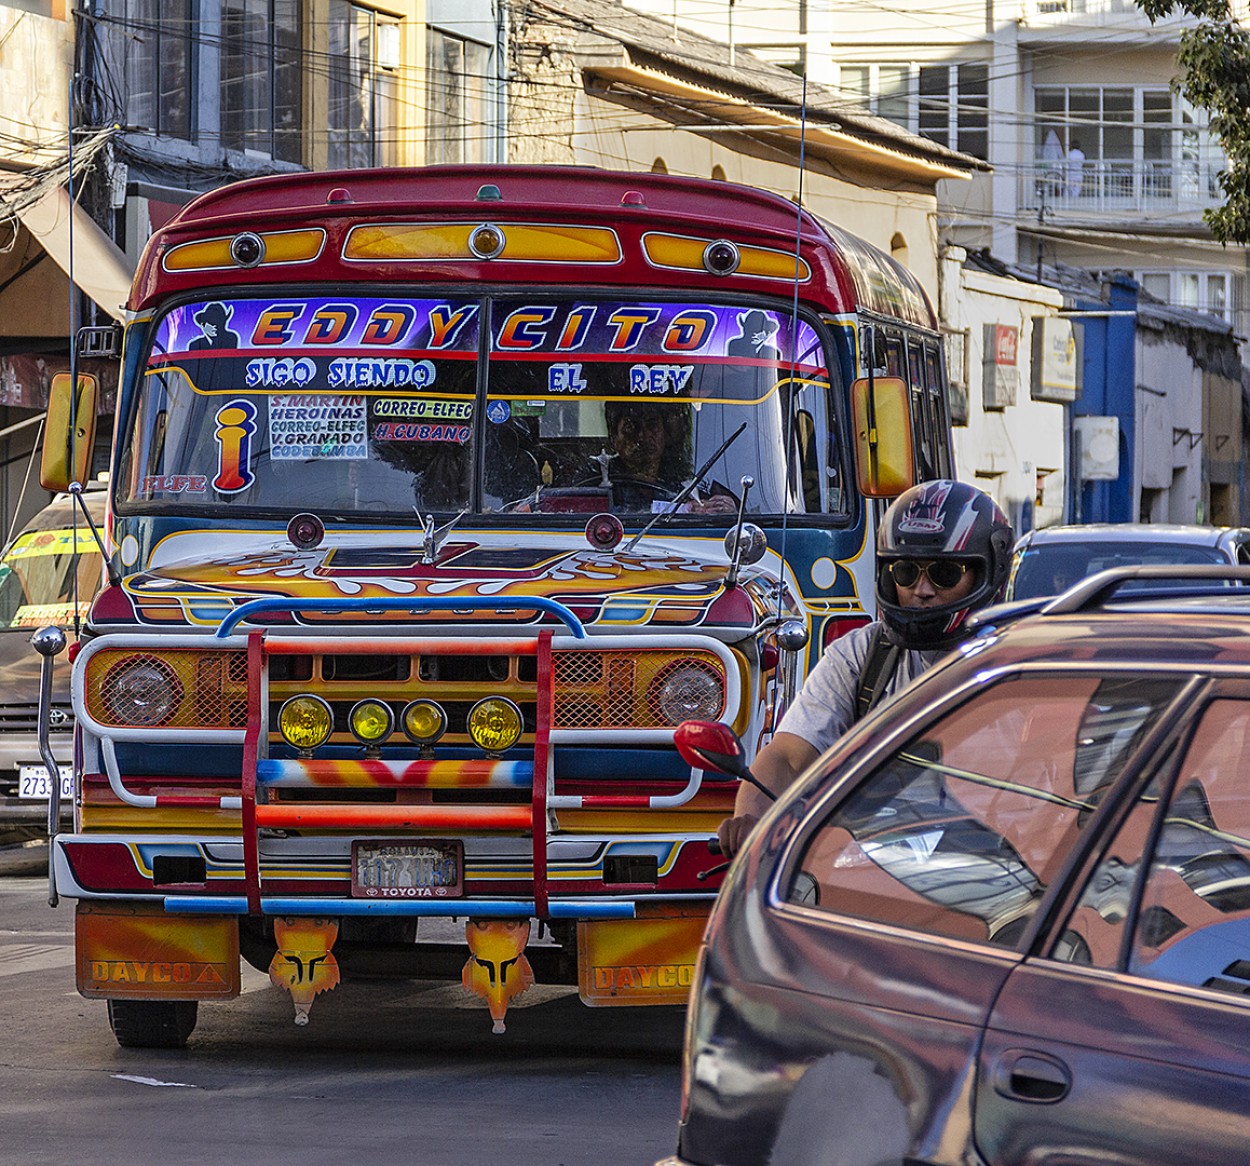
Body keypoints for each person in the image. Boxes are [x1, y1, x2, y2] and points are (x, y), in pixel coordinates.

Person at [717, 479, 1014, 855]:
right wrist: (752, 824)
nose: (921, 589)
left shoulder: (1021, 664)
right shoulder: (862, 655)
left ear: (988, 572)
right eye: (906, 572)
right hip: (873, 872)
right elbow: (788, 759)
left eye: (944, 574)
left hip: (1003, 874)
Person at [602, 401, 736, 514]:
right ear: (614, 438)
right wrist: (685, 510)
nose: (643, 435)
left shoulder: (686, 483)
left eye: (652, 425)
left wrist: (725, 511)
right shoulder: (598, 483)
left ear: (665, 434)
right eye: (631, 427)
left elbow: (713, 515)